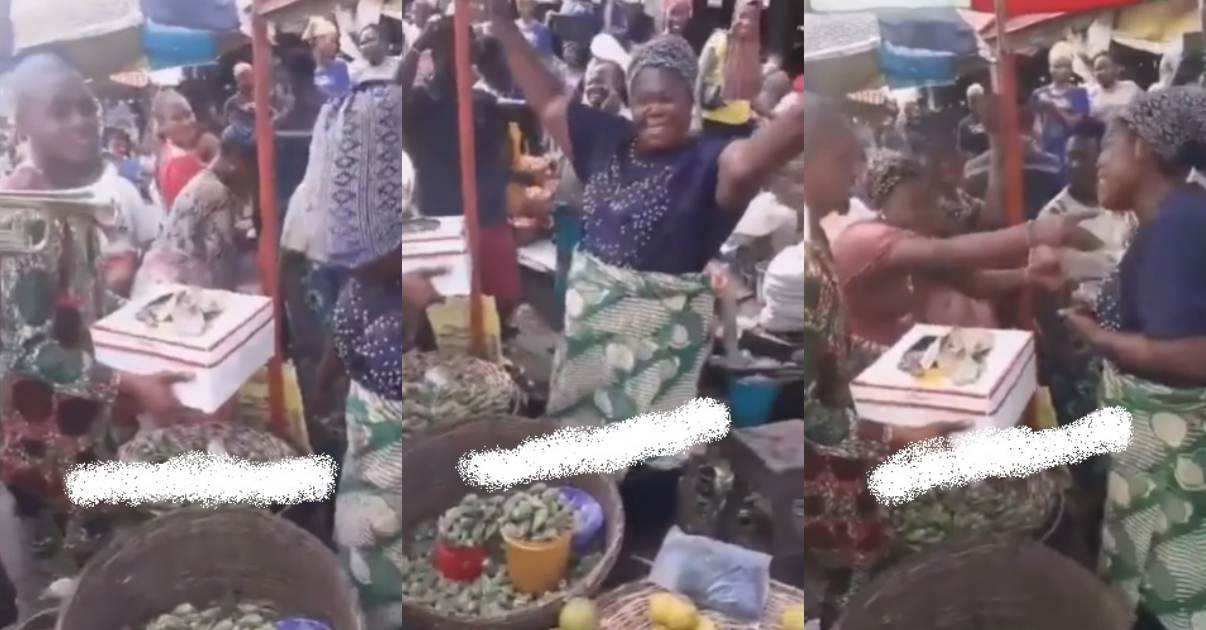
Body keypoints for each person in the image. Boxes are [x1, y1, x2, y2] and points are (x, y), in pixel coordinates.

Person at [490, 0, 805, 432]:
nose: (653, 109)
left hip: (654, 375)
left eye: (665, 98)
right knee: (577, 473)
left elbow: (755, 159)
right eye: (642, 100)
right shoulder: (608, 142)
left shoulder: (709, 162)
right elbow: (546, 101)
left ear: (689, 99)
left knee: (644, 482)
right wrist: (503, 24)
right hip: (586, 359)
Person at [0, 53, 189, 624]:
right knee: (70, 596)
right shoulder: (24, 216)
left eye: (86, 105)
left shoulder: (69, 202)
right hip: (43, 458)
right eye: (61, 112)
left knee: (108, 575)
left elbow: (78, 312)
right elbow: (27, 352)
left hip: (85, 436)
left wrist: (150, 321)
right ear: (24, 126)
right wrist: (131, 382)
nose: (83, 120)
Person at [1060, 88, 1206, 630]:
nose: (1097, 160)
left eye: (1108, 146)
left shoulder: (1178, 226)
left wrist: (1100, 339)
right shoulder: (1174, 217)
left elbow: (1196, 356)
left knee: (1169, 605)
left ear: (1143, 149)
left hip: (1176, 484)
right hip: (1155, 466)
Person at [399, 17, 522, 319]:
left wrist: (488, 54)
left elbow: (521, 100)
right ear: (435, 53)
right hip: (442, 225)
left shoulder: (485, 102)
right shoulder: (419, 102)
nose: (460, 56)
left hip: (489, 218)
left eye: (466, 47)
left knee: (501, 307)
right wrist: (417, 45)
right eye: (451, 48)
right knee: (445, 315)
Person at [133, 125, 258, 298]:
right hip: (170, 293)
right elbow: (221, 271)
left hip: (156, 283)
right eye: (254, 166)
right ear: (236, 162)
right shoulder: (217, 194)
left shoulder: (206, 182)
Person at [696, 0, 761, 138]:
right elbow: (698, 77)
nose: (747, 23)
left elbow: (748, 92)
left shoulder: (751, 48)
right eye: (742, 17)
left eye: (752, 19)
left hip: (742, 124)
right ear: (734, 17)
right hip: (715, 122)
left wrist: (770, 116)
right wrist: (695, 117)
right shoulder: (719, 41)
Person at [151, 89, 218, 212]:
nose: (187, 122)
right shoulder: (179, 162)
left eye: (188, 114)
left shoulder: (164, 157)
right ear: (162, 126)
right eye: (177, 118)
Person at [1030, 45, 1090, 172]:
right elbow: (1031, 126)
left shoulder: (1080, 93)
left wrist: (1053, 109)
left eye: (1066, 66)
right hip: (1044, 151)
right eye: (1057, 66)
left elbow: (1074, 124)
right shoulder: (1038, 94)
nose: (1062, 71)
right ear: (1050, 68)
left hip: (1070, 151)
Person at [1087, 51, 1141, 124]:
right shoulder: (1090, 94)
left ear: (1116, 69)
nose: (1100, 73)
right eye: (1097, 69)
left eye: (1104, 67)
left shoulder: (1131, 88)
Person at [306, 16, 352, 100]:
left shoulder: (340, 66)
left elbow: (346, 93)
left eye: (336, 41)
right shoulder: (305, 68)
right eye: (332, 41)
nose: (336, 45)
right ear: (319, 41)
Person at [957, 83, 989, 157]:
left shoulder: (992, 119)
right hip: (976, 165)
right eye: (971, 100)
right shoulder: (964, 124)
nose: (974, 103)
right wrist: (972, 157)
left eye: (976, 100)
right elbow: (961, 149)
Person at [223, 62, 256, 128]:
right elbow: (231, 126)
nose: (247, 80)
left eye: (249, 75)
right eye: (243, 76)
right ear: (237, 79)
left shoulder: (264, 97)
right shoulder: (232, 103)